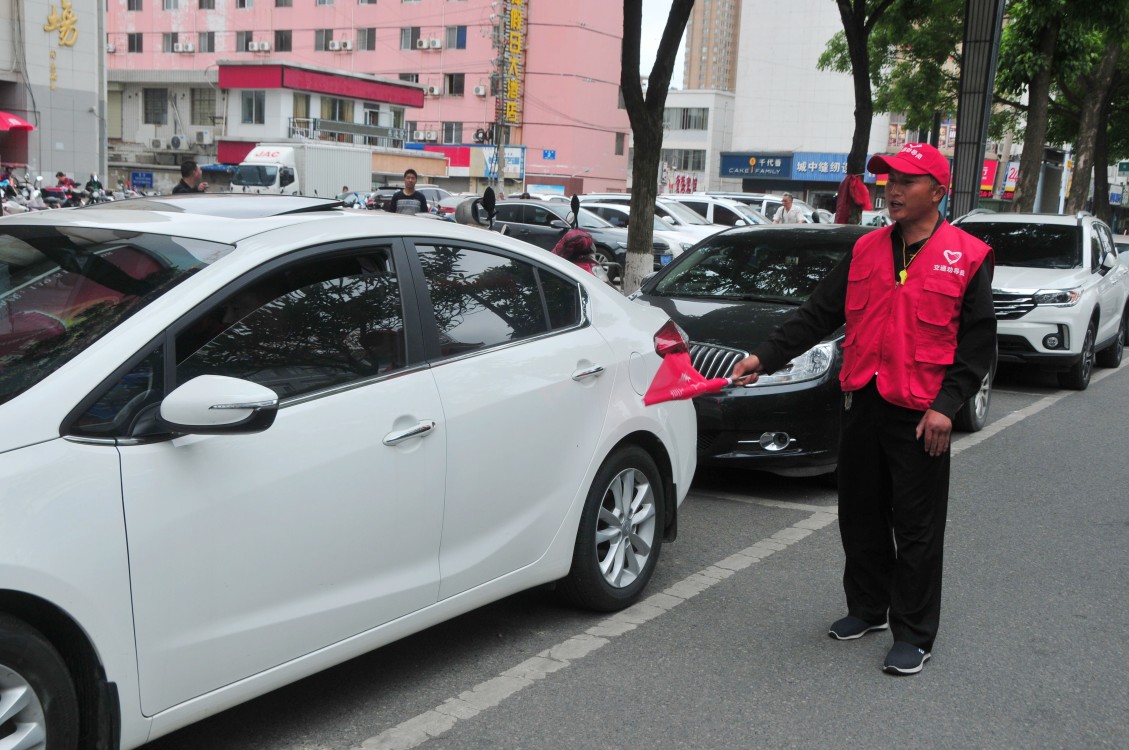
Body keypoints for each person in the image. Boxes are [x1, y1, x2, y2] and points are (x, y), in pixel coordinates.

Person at [730, 142, 996, 676]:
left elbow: (976, 346)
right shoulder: (867, 249)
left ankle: (914, 633)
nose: (892, 190)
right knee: (860, 514)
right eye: (888, 180)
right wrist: (764, 356)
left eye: (906, 182)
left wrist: (947, 407)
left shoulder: (967, 256)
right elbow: (817, 314)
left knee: (916, 527)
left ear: (937, 192)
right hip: (862, 401)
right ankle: (869, 608)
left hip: (922, 415)